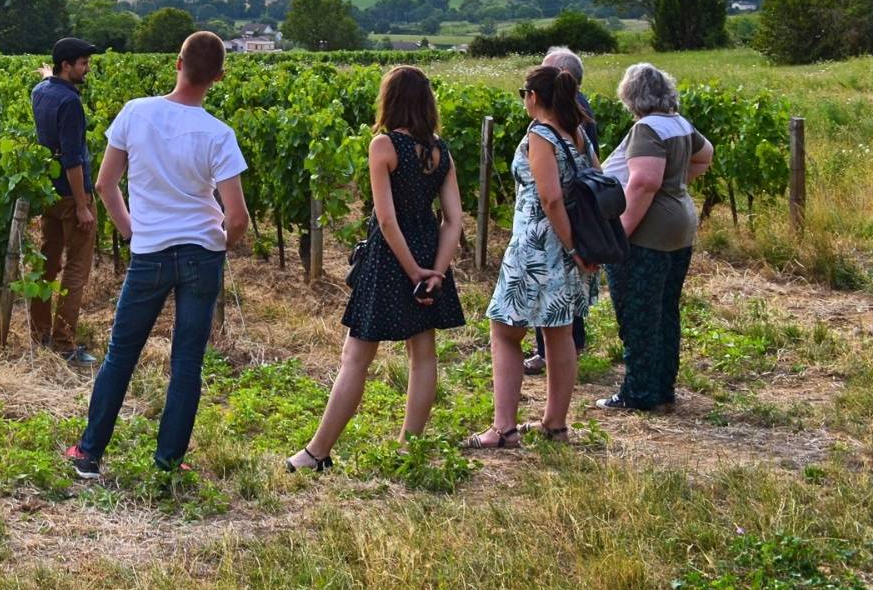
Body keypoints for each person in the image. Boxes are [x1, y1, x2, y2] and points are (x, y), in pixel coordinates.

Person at [66, 32, 250, 479]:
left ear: (177, 62)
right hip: (201, 256)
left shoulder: (136, 112)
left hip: (149, 252)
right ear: (219, 78)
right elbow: (238, 216)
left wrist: (132, 232)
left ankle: (89, 454)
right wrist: (217, 244)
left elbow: (105, 184)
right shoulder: (218, 135)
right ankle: (168, 462)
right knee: (187, 361)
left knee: (121, 354)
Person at [288, 66, 466, 472]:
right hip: (427, 250)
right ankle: (409, 448)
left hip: (392, 257)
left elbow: (386, 221)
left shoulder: (383, 146)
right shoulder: (441, 152)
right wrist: (434, 272)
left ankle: (316, 453)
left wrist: (413, 271)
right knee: (423, 355)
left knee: (356, 355)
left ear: (390, 100)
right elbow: (454, 221)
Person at [469, 65, 597, 449]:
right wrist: (579, 247)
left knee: (505, 331)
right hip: (571, 248)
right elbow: (598, 180)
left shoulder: (540, 134)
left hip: (539, 246)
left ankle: (503, 428)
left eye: (523, 93)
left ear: (534, 97)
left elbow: (550, 197)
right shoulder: (577, 135)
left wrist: (569, 245)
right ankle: (554, 424)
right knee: (559, 334)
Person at [598, 62, 713, 413]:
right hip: (680, 226)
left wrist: (619, 235)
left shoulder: (647, 129)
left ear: (631, 96)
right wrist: (677, 188)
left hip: (649, 234)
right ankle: (662, 388)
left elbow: (645, 182)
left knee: (639, 313)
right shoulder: (679, 123)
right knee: (664, 311)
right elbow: (705, 155)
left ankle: (639, 393)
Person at [525, 45, 598, 375]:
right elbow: (597, 173)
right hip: (576, 226)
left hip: (551, 234)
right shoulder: (579, 119)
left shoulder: (547, 128)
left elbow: (549, 197)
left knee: (541, 316)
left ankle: (547, 357)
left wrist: (569, 243)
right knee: (565, 319)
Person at [31, 36, 101, 366]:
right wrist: (83, 206)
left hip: (48, 193)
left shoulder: (41, 91)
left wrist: (47, 74)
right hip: (72, 195)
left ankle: (39, 331)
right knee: (75, 270)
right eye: (83, 64)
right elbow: (73, 159)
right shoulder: (70, 104)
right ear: (66, 66)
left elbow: (46, 82)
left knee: (47, 261)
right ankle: (64, 341)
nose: (87, 69)